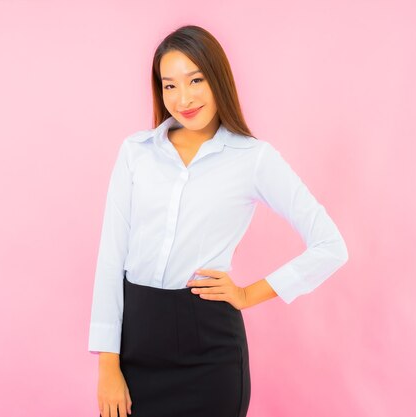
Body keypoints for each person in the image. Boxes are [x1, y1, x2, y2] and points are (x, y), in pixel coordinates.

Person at [88, 25, 349, 417]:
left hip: (209, 353)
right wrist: (108, 364)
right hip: (136, 341)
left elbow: (331, 246)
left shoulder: (254, 159)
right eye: (169, 85)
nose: (184, 98)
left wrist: (248, 294)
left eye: (196, 79)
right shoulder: (136, 153)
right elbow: (111, 257)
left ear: (218, 78)